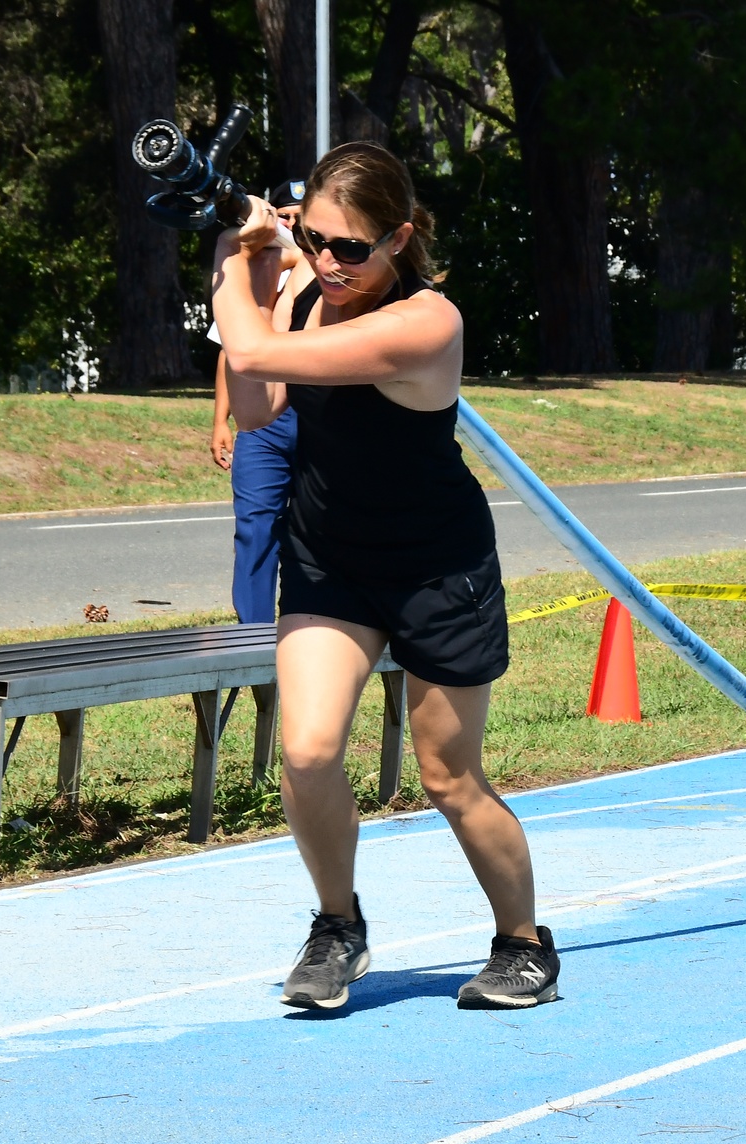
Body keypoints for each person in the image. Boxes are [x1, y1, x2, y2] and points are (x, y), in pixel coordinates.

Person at [212, 142, 559, 1012]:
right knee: (307, 749)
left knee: (449, 777)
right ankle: (337, 928)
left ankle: (523, 942)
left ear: (399, 238)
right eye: (315, 239)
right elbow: (255, 404)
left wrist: (228, 262)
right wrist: (263, 279)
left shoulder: (426, 323)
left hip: (436, 567)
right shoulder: (305, 294)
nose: (328, 263)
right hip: (331, 559)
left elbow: (252, 359)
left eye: (351, 249)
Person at [208, 180, 304, 623]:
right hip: (262, 426)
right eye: (282, 215)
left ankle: (308, 625)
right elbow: (232, 349)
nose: (287, 225)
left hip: (313, 415)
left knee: (313, 532)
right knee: (254, 528)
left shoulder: (325, 274)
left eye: (299, 218)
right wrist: (221, 421)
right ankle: (252, 633)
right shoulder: (248, 269)